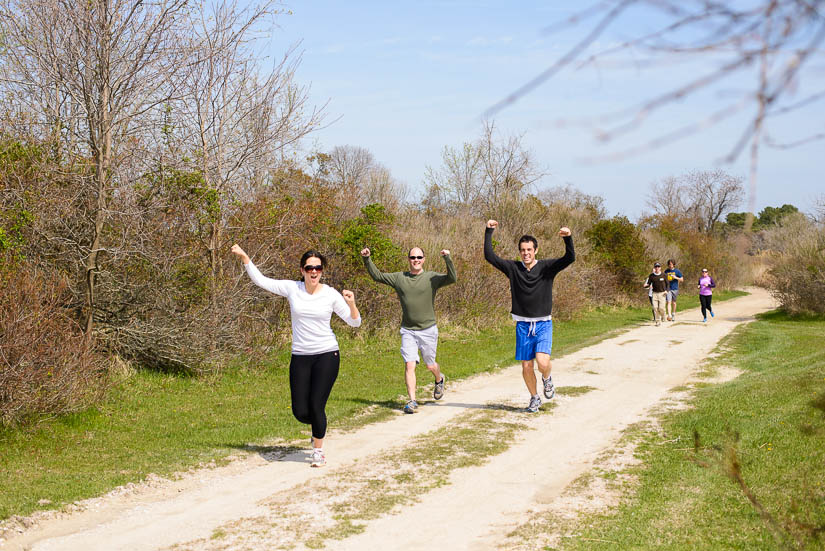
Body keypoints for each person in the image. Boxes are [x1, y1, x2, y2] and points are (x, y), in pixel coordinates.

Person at [231, 244, 361, 468]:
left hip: (327, 354)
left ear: (322, 271)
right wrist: (245, 258)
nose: (314, 272)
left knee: (316, 404)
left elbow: (354, 322)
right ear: (302, 270)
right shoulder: (292, 289)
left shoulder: (330, 294)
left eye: (318, 268)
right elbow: (262, 281)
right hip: (300, 356)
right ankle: (318, 428)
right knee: (300, 411)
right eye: (309, 268)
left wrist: (351, 303)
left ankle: (317, 450)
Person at [484, 220, 575, 413]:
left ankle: (547, 379)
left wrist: (568, 238)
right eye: (523, 250)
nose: (526, 253)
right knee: (526, 366)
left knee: (542, 362)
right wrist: (489, 231)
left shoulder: (547, 268)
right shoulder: (513, 269)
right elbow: (489, 256)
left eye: (529, 250)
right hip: (523, 326)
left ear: (536, 250)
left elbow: (569, 258)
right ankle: (534, 398)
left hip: (543, 324)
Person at [360, 246, 456, 414]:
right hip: (408, 330)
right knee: (409, 364)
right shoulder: (400, 278)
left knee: (430, 365)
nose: (416, 260)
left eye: (419, 257)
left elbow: (452, 278)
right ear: (409, 259)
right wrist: (367, 259)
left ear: (424, 259)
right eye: (413, 257)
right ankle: (412, 401)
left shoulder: (431, 277)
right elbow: (378, 276)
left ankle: (439, 379)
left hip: (428, 329)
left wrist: (447, 259)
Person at [644, 262, 668, 326]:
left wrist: (666, 291)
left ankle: (664, 315)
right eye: (656, 267)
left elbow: (668, 284)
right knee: (655, 307)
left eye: (658, 267)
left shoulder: (664, 275)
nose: (657, 268)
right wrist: (646, 286)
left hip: (662, 293)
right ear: (654, 268)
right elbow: (649, 283)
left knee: (661, 308)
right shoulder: (651, 276)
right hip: (654, 293)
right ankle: (658, 321)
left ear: (660, 268)